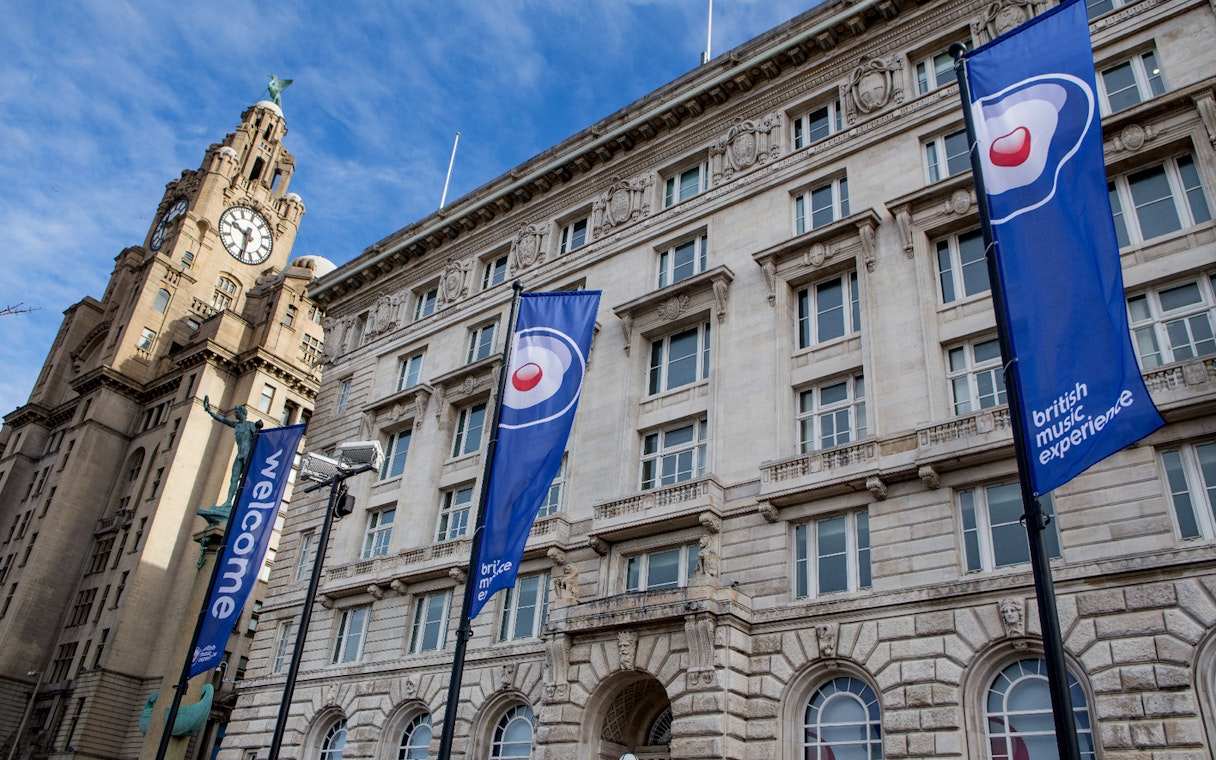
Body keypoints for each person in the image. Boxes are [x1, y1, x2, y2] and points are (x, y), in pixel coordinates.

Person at [199, 396, 263, 524]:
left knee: (245, 479)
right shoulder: (237, 426)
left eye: (237, 413)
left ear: (243, 413)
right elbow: (223, 420)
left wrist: (258, 427)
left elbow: (259, 436)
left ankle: (244, 502)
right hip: (240, 454)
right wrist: (210, 411)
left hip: (247, 454)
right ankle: (228, 502)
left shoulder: (250, 425)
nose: (235, 415)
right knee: (233, 479)